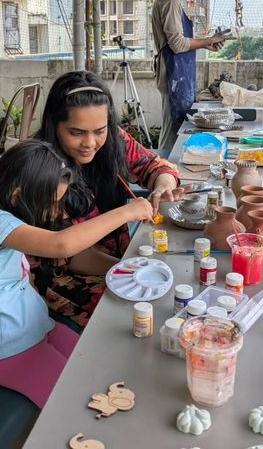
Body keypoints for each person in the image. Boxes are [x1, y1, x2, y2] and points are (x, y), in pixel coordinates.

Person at [0, 140, 153, 408]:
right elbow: (62, 244)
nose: (53, 212)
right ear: (17, 196)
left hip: (36, 329)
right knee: (79, 402)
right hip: (8, 351)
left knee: (98, 365)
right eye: (50, 204)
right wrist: (128, 211)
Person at [36, 70, 185, 331]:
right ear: (54, 124)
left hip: (118, 261)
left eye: (99, 130)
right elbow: (73, 255)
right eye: (76, 132)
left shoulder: (113, 140)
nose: (90, 143)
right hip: (69, 279)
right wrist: (131, 272)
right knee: (142, 320)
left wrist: (162, 187)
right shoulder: (41, 170)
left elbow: (154, 165)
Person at [152, 0, 226, 150]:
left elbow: (179, 40)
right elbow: (176, 43)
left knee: (178, 128)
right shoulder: (169, 0)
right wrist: (208, 40)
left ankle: (168, 172)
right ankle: (162, 173)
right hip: (172, 74)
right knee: (171, 132)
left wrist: (207, 44)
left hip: (178, 75)